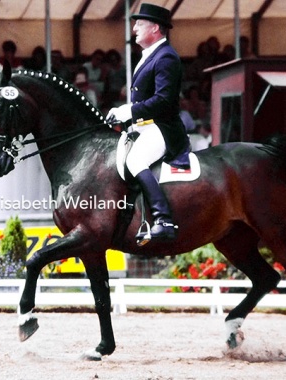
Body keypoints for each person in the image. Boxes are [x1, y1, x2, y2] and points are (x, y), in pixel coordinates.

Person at [106, 3, 189, 243]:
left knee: (135, 159)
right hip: (144, 126)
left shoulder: (166, 57)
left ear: (155, 27)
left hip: (162, 128)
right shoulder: (151, 55)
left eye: (139, 24)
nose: (134, 29)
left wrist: (128, 111)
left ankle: (163, 219)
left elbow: (163, 100)